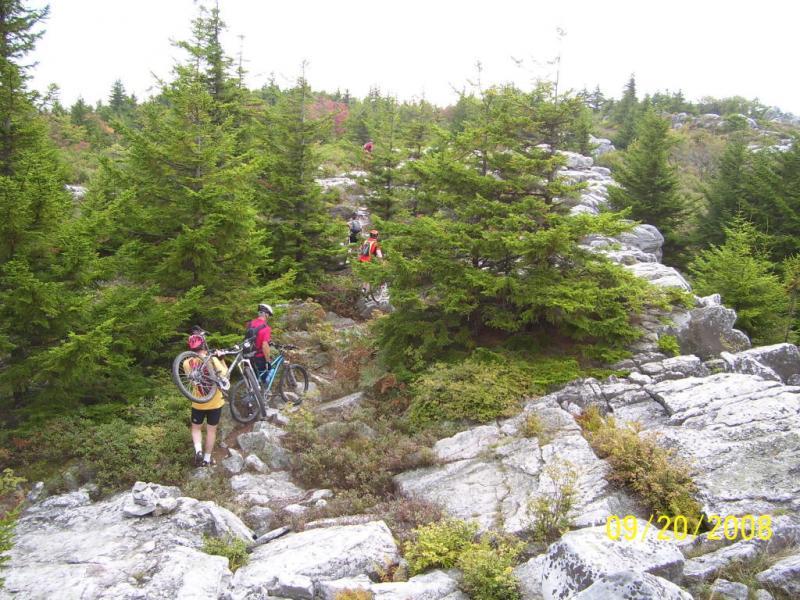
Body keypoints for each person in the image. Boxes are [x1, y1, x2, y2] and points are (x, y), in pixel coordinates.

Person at [183, 328, 227, 467]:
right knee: (211, 431)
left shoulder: (185, 363)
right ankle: (207, 460)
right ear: (203, 345)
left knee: (196, 428)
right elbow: (224, 375)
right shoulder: (213, 359)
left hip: (198, 402)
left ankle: (198, 451)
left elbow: (191, 381)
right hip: (215, 402)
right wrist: (222, 359)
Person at [246, 303, 273, 376]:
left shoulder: (250, 323)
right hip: (259, 358)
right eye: (269, 315)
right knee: (266, 379)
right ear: (266, 315)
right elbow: (264, 346)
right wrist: (268, 361)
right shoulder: (266, 328)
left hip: (249, 356)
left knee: (254, 380)